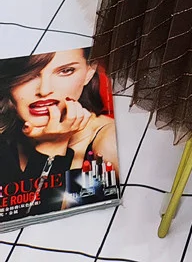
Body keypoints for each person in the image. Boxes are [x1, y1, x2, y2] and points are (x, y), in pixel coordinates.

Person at [0, 48, 118, 217]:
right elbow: (17, 223)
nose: (44, 90)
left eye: (65, 71)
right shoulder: (5, 138)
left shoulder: (110, 143)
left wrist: (52, 146)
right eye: (29, 74)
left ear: (89, 71)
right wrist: (52, 147)